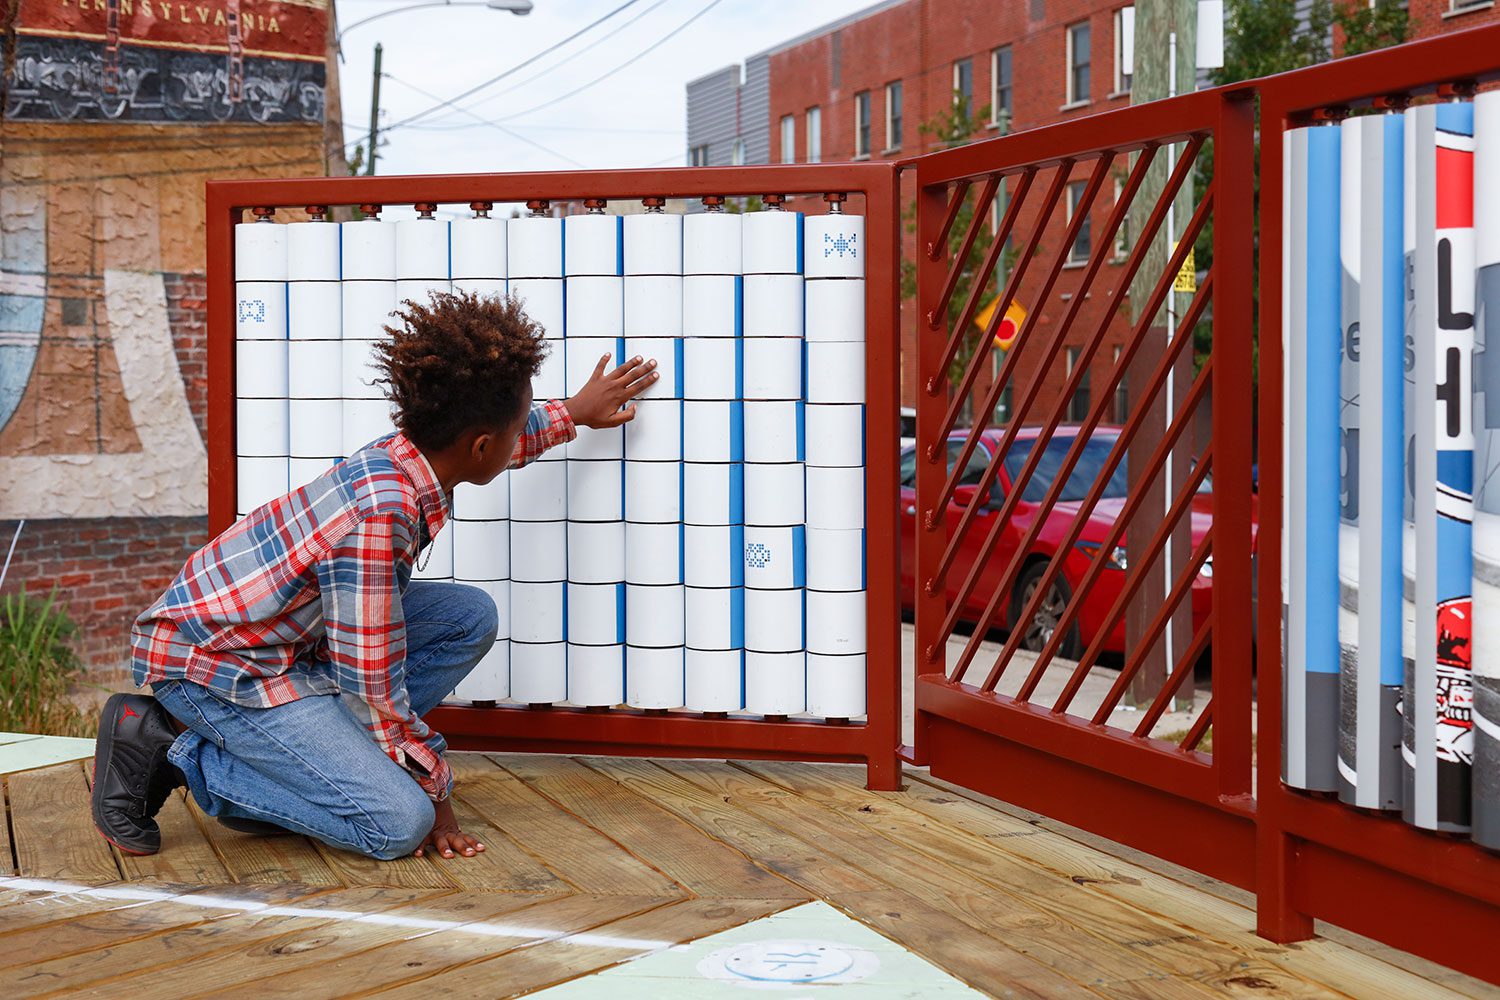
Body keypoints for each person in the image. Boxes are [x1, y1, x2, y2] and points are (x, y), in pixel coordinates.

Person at [91, 290, 656, 861]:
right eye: (515, 431)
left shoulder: (411, 451)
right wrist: (435, 795)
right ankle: (170, 746)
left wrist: (573, 413)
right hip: (218, 667)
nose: (517, 439)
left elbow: (491, 438)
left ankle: (317, 764)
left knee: (468, 618)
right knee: (394, 823)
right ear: (481, 444)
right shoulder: (379, 517)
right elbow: (374, 687)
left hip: (283, 641)